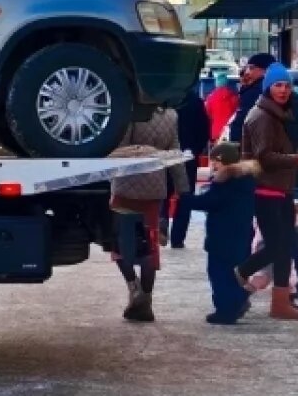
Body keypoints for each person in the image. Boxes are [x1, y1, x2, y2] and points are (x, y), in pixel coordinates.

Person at [234, 63, 298, 320]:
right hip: (265, 189)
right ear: (268, 87)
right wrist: (296, 160)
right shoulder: (262, 117)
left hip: (281, 188)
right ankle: (238, 274)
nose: (283, 90)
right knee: (277, 246)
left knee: (283, 246)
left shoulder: (280, 114)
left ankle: (280, 302)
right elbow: (265, 158)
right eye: (278, 85)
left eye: (287, 86)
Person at [108, 107, 190, 322]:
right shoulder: (171, 115)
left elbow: (121, 150)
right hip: (155, 189)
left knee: (120, 244)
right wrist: (182, 186)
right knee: (149, 245)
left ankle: (134, 288)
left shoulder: (130, 113)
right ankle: (146, 300)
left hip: (126, 186)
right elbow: (175, 151)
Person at [181, 142, 258, 324]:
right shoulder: (247, 180)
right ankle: (237, 301)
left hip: (222, 236)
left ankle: (227, 310)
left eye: (215, 161)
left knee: (219, 273)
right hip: (241, 234)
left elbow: (211, 201)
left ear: (223, 161)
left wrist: (186, 199)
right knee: (234, 273)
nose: (213, 165)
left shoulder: (225, 181)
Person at [169, 87, 211, 249]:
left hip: (164, 155)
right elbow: (204, 130)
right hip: (188, 156)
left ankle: (160, 222)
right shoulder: (195, 101)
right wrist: (195, 150)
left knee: (162, 192)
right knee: (185, 196)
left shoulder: (162, 99)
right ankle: (177, 238)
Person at [227, 53, 275, 143]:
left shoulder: (255, 91)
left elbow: (244, 119)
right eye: (247, 68)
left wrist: (234, 140)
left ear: (265, 70)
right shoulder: (268, 89)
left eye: (251, 68)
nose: (247, 72)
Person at [204, 72, 239, 143]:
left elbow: (207, 116)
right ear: (226, 84)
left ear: (216, 84)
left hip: (216, 133)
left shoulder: (210, 98)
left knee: (217, 150)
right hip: (230, 132)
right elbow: (237, 114)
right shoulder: (234, 97)